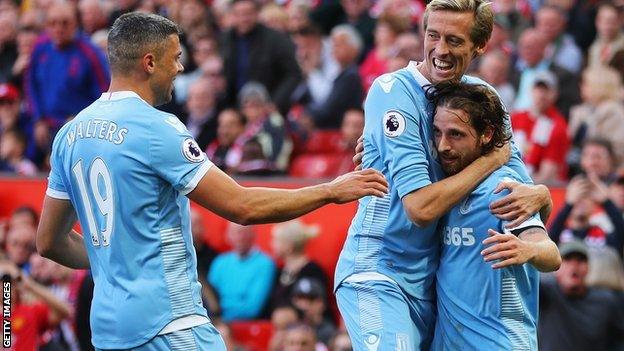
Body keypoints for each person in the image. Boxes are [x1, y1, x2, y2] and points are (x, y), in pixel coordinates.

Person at [35, 12, 388, 351]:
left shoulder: (69, 135)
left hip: (109, 331)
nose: (180, 67)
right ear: (149, 62)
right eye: (174, 58)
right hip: (169, 324)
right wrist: (330, 189)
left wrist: (109, 257)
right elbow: (243, 207)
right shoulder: (157, 128)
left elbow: (49, 242)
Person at [340, 1, 552, 349]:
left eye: (454, 40)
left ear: (480, 45)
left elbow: (521, 197)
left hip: (430, 283)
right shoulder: (392, 91)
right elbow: (420, 209)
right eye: (433, 35)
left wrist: (541, 194)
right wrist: (489, 162)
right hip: (378, 270)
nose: (440, 50)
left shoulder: (481, 99)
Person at [428, 82, 560, 350]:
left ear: (487, 134)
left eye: (456, 135)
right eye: (437, 133)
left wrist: (528, 249)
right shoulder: (440, 185)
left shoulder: (502, 188)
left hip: (499, 342)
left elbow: (552, 255)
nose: (443, 146)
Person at [538, 241, 624, 351]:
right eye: (568, 260)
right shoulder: (547, 293)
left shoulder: (605, 301)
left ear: (588, 268)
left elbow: (619, 339)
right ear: (556, 269)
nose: (574, 266)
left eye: (580, 260)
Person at [208, 223, 276, 322]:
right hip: (216, 322)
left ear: (253, 235)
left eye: (244, 232)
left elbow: (252, 309)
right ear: (227, 236)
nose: (240, 237)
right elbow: (208, 298)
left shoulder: (265, 264)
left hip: (245, 325)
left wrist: (219, 313)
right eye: (235, 232)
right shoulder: (220, 262)